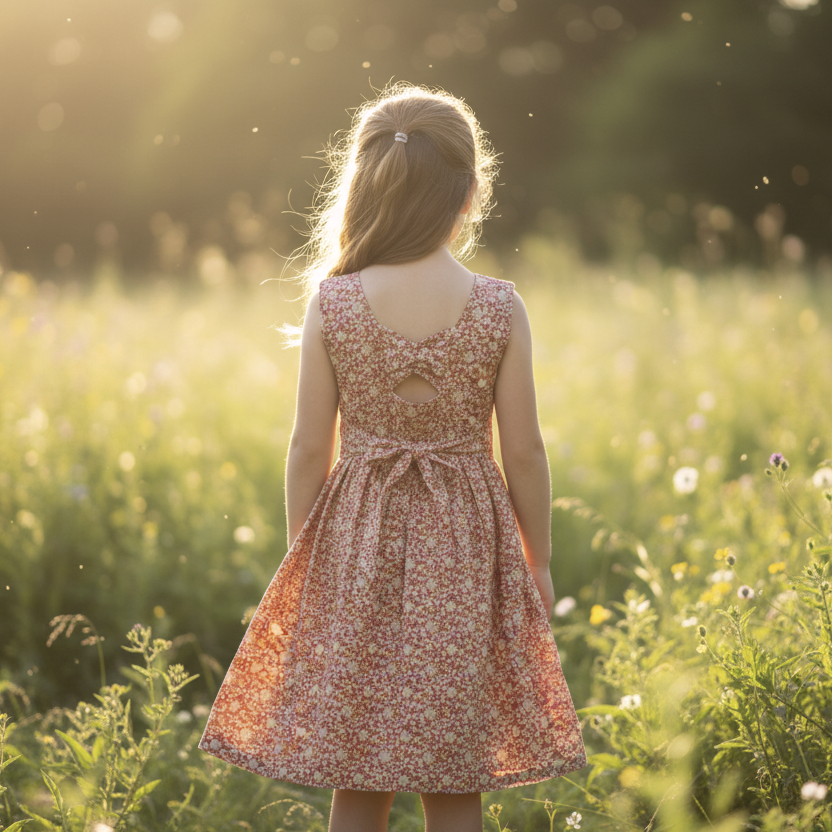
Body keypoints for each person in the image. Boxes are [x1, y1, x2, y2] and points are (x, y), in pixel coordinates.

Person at [198, 82, 587, 832]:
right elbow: (527, 452)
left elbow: (309, 446)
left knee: (357, 768)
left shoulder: (334, 302)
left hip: (354, 545)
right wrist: (537, 560)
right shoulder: (500, 306)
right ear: (471, 192)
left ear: (367, 184)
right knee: (454, 771)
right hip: (467, 547)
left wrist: (302, 560)